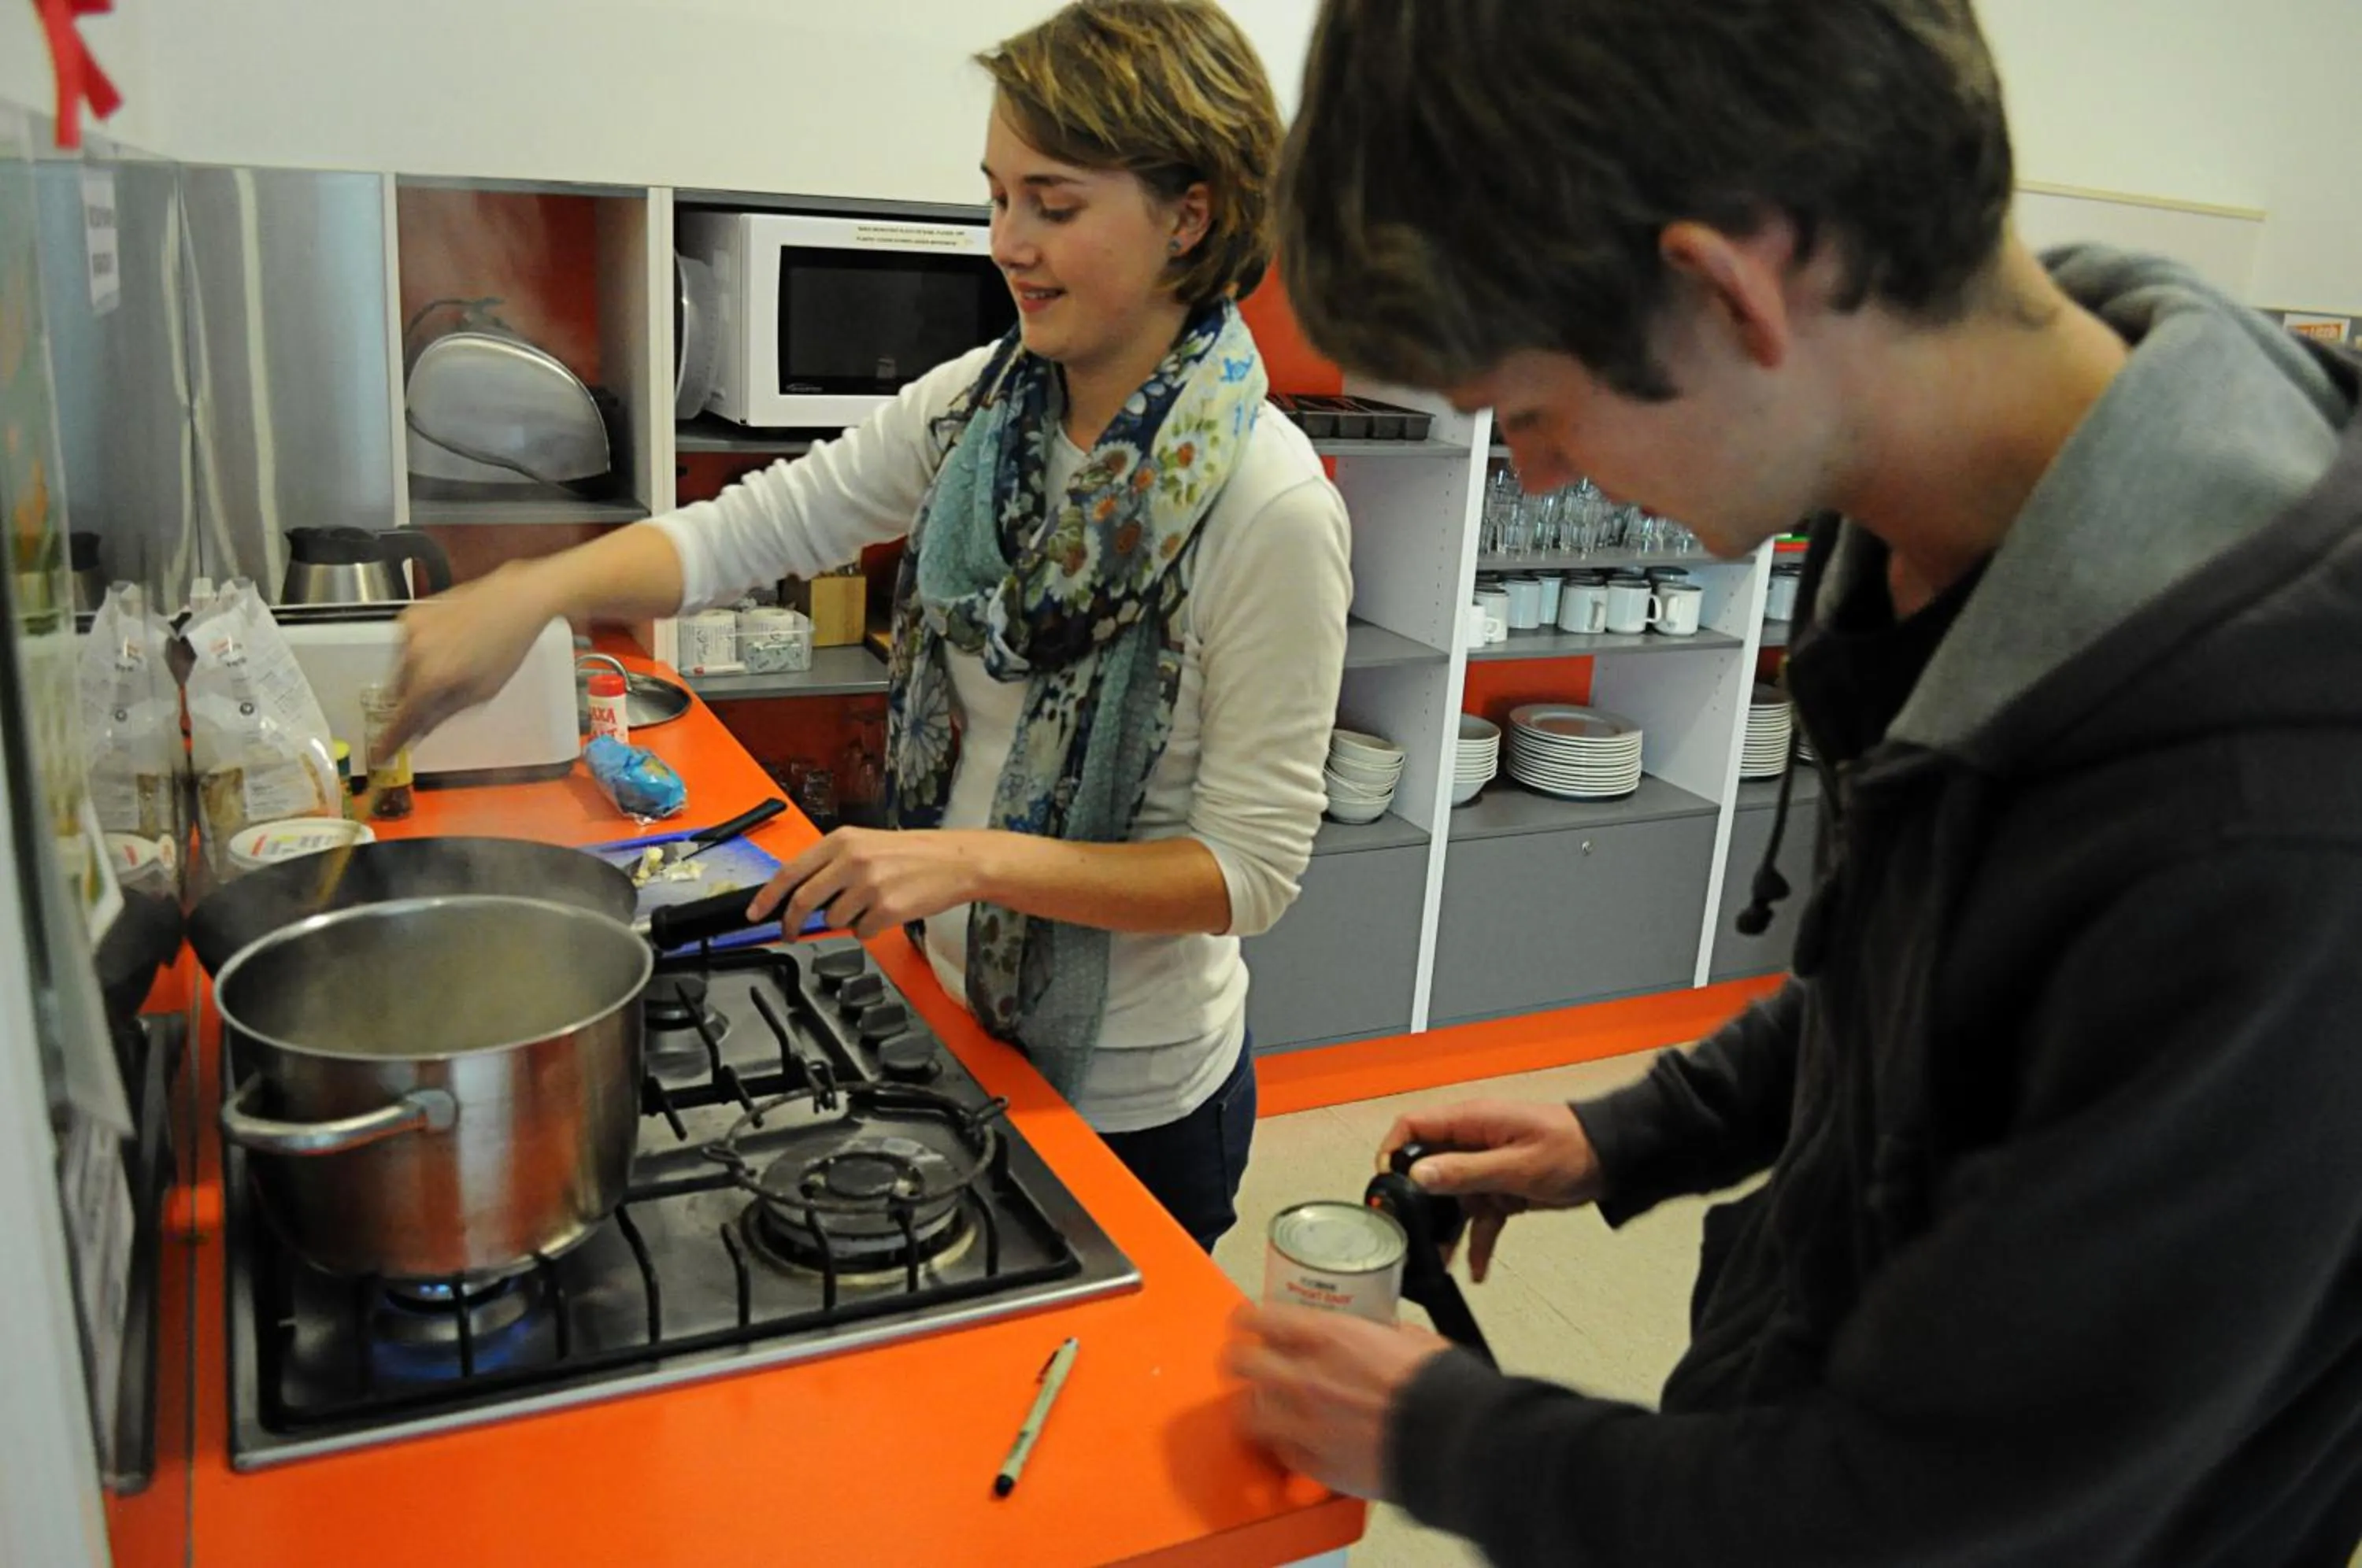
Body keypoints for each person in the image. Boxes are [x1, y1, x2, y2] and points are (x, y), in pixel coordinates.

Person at [1228, 0, 2362, 1561]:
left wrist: (1436, 1433)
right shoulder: (1949, 519)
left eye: (1534, 412)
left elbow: (1920, 1521)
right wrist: (1641, 1129)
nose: (1542, 476)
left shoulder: (2262, 815)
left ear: (1728, 289)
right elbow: (1933, 986)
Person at [385, 0, 1350, 1251]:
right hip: (951, 1015)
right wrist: (525, 593)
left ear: (1191, 213)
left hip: (1134, 1103)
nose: (1008, 243)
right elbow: (757, 526)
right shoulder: (979, 411)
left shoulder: (1268, 506)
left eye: (1053, 206)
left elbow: (1251, 873)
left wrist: (969, 858)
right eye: (997, 197)